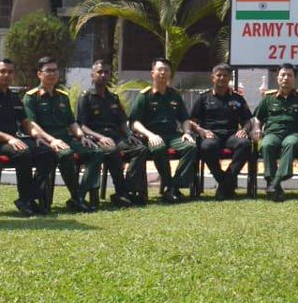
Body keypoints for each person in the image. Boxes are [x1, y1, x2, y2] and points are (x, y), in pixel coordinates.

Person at [0, 58, 58, 216]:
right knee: (23, 152)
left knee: (49, 152)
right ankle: (27, 200)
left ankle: (26, 198)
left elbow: (26, 123)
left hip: (14, 143)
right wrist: (9, 138)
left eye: (10, 72)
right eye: (2, 71)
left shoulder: (14, 97)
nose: (6, 75)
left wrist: (36, 135)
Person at [22, 56, 107, 213]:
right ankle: (77, 197)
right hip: (47, 141)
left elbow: (71, 122)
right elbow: (32, 124)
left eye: (55, 70)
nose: (53, 74)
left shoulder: (63, 96)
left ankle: (78, 196)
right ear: (39, 74)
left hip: (67, 138)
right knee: (66, 154)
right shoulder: (31, 97)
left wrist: (82, 136)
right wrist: (52, 140)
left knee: (97, 152)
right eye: (48, 70)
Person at [128, 58, 199, 204]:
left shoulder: (174, 95)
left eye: (166, 70)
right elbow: (134, 122)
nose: (162, 73)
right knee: (158, 147)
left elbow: (184, 118)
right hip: (151, 136)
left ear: (170, 74)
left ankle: (173, 187)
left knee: (191, 147)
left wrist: (187, 132)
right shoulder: (144, 96)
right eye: (159, 70)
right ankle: (171, 187)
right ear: (152, 73)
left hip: (172, 135)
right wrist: (150, 135)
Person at [76, 58, 145, 206]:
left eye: (106, 72)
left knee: (140, 149)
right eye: (99, 72)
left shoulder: (113, 98)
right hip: (95, 138)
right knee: (111, 150)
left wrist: (129, 135)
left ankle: (127, 189)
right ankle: (121, 192)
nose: (103, 75)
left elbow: (122, 122)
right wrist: (100, 137)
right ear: (92, 75)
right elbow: (81, 125)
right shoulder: (85, 97)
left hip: (116, 137)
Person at [189, 63, 254, 200]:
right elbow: (191, 121)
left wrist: (244, 130)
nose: (222, 78)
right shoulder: (203, 98)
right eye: (219, 75)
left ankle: (224, 185)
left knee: (245, 144)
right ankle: (226, 183)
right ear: (212, 77)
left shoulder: (237, 98)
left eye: (225, 75)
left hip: (231, 134)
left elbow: (248, 120)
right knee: (207, 146)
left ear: (230, 77)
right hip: (211, 134)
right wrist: (200, 130)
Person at [254, 63, 298, 201]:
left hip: (292, 133)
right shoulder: (268, 98)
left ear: (294, 79)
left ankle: (274, 183)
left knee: (291, 144)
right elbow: (258, 118)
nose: (286, 78)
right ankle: (275, 185)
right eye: (283, 75)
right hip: (272, 133)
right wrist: (257, 128)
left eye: (289, 75)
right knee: (267, 144)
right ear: (277, 78)